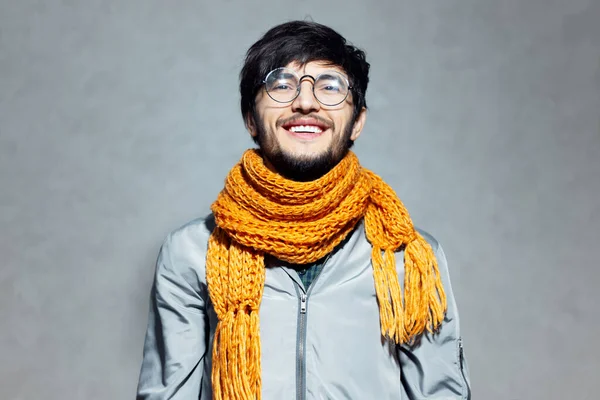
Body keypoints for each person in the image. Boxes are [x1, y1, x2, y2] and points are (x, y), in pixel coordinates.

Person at [136, 20, 471, 400]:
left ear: (357, 121)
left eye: (330, 86)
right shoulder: (192, 252)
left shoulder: (408, 256)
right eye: (281, 85)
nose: (306, 101)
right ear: (250, 119)